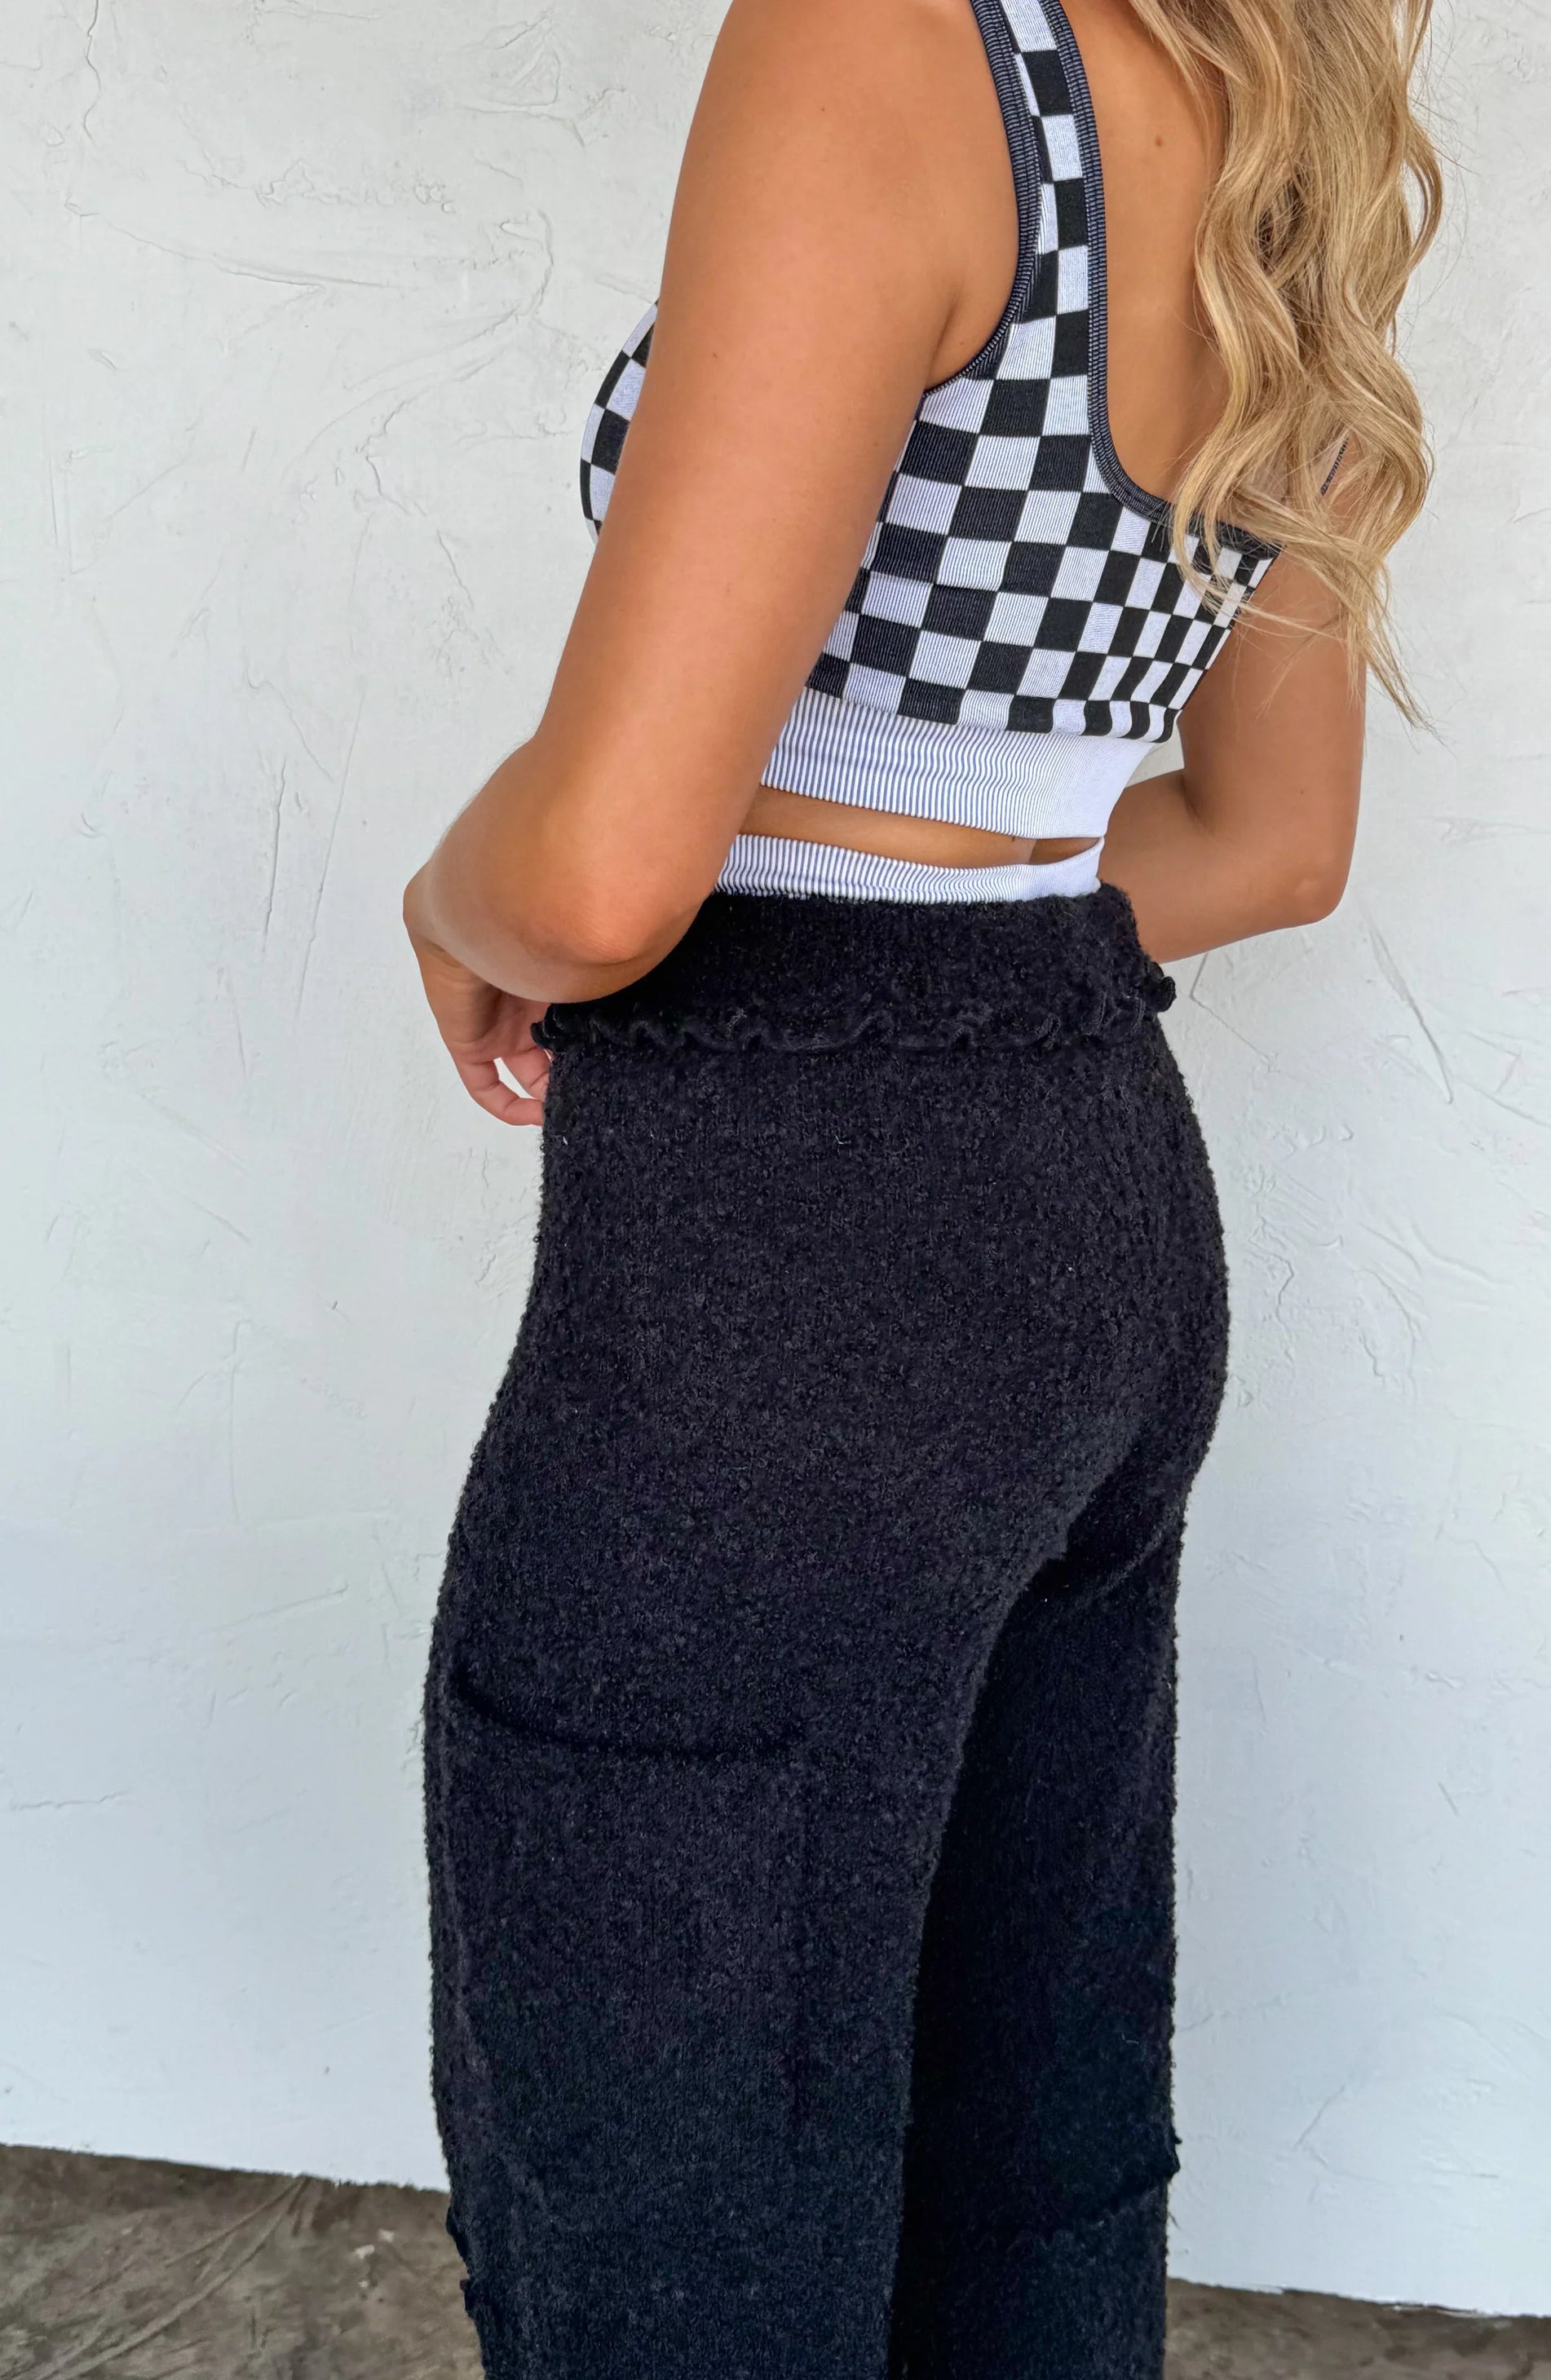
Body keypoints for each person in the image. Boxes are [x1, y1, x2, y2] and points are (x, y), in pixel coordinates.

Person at [403, 0, 1442, 2370]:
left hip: (782, 1276)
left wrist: (449, 893)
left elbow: (594, 886)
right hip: (1095, 1214)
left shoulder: (885, 42)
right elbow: (1268, 843)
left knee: (667, 2197)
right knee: (1020, 2127)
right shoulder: (1282, 98)